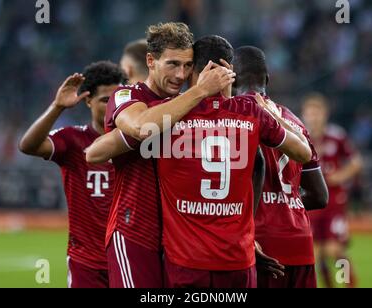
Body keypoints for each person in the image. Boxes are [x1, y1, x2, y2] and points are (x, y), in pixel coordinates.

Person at [89, 35, 312, 288]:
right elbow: (302, 153)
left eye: (185, 67)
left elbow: (95, 152)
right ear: (230, 72)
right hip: (238, 261)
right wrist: (270, 112)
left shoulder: (168, 115)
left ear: (195, 69)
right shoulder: (252, 112)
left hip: (187, 262)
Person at [98, 22, 235, 288]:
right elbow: (141, 127)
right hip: (134, 231)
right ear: (150, 60)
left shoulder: (189, 103)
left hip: (179, 238)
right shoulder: (127, 95)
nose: (180, 74)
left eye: (187, 65)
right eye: (172, 64)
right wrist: (199, 92)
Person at [19, 61, 127, 288]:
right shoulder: (72, 140)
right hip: (85, 261)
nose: (112, 107)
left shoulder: (135, 141)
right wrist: (57, 107)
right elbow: (28, 145)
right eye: (105, 100)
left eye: (116, 100)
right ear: (88, 101)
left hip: (127, 257)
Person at [233, 46, 329, 288]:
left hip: (260, 244)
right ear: (267, 79)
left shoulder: (234, 116)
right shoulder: (295, 122)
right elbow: (319, 195)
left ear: (231, 77)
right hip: (301, 243)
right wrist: (285, 204)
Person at [302, 93, 363, 288]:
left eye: (317, 112)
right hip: (312, 203)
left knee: (334, 251)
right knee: (316, 253)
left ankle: (348, 283)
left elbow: (356, 162)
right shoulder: (301, 136)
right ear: (304, 115)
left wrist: (340, 176)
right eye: (310, 113)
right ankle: (330, 285)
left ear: (325, 114)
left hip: (334, 201)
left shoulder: (336, 137)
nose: (314, 117)